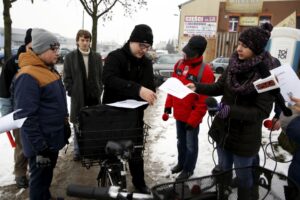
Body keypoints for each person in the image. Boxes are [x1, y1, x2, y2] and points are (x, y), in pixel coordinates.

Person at [187, 23, 277, 200]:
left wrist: (230, 110)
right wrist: (196, 86)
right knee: (223, 169)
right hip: (223, 131)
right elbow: (219, 87)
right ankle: (223, 192)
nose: (238, 49)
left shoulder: (268, 75)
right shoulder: (233, 65)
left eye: (245, 46)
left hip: (245, 138)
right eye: (239, 44)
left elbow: (262, 112)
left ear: (257, 49)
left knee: (244, 177)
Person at [12, 28, 69, 200]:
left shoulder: (47, 69)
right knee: (38, 181)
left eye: (58, 49)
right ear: (41, 49)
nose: (57, 53)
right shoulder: (28, 75)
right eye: (53, 49)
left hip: (51, 138)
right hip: (41, 143)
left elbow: (56, 100)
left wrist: (64, 124)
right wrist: (40, 148)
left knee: (46, 178)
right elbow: (25, 117)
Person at [102, 24, 156, 194]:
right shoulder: (115, 57)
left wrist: (148, 97)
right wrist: (137, 90)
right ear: (132, 41)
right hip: (113, 115)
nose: (144, 50)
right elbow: (108, 79)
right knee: (112, 151)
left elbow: (149, 86)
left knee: (136, 151)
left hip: (135, 116)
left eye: (147, 47)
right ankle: (112, 181)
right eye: (141, 45)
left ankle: (139, 182)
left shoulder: (146, 63)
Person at [163, 35, 215, 180]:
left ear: (197, 53)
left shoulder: (206, 72)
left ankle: (188, 169)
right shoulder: (179, 64)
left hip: (192, 117)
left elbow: (203, 101)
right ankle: (181, 163)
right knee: (180, 141)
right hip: (179, 114)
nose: (185, 53)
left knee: (191, 145)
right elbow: (172, 87)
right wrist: (168, 106)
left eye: (189, 51)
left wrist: (193, 121)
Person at [63, 29, 103, 161]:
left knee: (93, 125)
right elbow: (67, 78)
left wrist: (99, 89)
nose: (85, 43)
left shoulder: (97, 57)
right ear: (77, 41)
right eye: (82, 40)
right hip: (78, 97)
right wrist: (72, 91)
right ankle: (78, 151)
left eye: (87, 40)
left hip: (93, 97)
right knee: (78, 125)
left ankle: (91, 151)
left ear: (90, 41)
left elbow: (101, 76)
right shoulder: (70, 57)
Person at [0, 28, 32, 188]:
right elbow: (4, 91)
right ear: (27, 44)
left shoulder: (39, 60)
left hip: (34, 111)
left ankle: (34, 172)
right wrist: (7, 117)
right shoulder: (12, 63)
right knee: (21, 145)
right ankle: (20, 173)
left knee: (34, 143)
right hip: (17, 113)